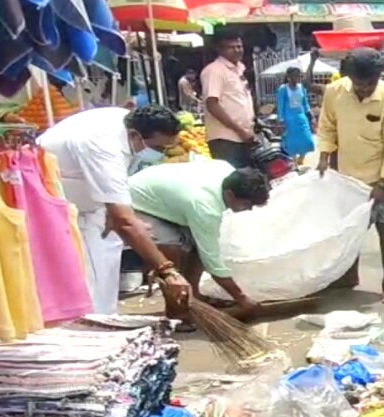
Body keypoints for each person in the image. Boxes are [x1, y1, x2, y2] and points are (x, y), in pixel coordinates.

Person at [38, 105, 190, 315]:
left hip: (89, 203)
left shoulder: (127, 123)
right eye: (159, 148)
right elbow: (124, 221)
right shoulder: (103, 147)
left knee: (107, 260)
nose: (163, 154)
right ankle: (93, 324)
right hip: (59, 206)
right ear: (136, 135)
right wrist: (167, 270)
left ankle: (105, 315)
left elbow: (120, 211)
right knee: (89, 276)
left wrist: (124, 218)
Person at [316, 48, 384, 304]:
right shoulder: (335, 92)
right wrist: (324, 154)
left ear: (380, 77)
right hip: (347, 177)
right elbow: (327, 125)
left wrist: (382, 182)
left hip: (381, 176)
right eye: (359, 84)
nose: (365, 89)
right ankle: (348, 275)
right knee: (349, 231)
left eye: (370, 84)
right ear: (349, 78)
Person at [129, 160, 269, 316]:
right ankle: (177, 311)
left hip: (167, 197)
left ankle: (193, 295)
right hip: (136, 201)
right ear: (230, 194)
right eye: (245, 204)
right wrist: (241, 297)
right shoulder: (205, 207)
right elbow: (212, 262)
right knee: (170, 253)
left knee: (199, 245)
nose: (248, 209)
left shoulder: (227, 170)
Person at [201, 30, 256, 168]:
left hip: (244, 137)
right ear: (220, 49)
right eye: (231, 47)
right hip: (225, 139)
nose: (237, 50)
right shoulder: (215, 70)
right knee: (233, 180)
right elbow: (212, 104)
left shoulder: (239, 69)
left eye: (239, 46)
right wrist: (240, 131)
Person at [276, 67, 315, 165]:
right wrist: (281, 120)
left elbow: (305, 103)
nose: (297, 77)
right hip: (289, 119)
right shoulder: (283, 89)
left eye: (299, 75)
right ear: (289, 77)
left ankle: (301, 158)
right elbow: (280, 105)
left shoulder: (301, 88)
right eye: (295, 75)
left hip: (301, 117)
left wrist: (311, 116)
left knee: (307, 139)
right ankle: (293, 162)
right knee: (291, 142)